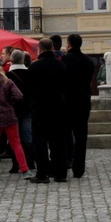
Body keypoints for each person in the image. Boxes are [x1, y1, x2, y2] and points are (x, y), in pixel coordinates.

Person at [0, 63, 34, 181]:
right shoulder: (8, 82)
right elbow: (19, 96)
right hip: (9, 115)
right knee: (16, 143)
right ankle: (24, 169)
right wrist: (11, 102)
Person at [28, 38, 68, 183]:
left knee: (40, 142)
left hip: (40, 108)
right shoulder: (61, 66)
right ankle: (60, 173)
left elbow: (29, 89)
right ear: (52, 48)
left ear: (40, 49)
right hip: (57, 107)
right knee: (58, 141)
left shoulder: (34, 67)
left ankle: (42, 173)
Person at [63, 33, 95, 178]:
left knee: (64, 135)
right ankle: (79, 168)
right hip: (83, 101)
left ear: (69, 44)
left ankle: (64, 164)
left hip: (67, 102)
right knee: (81, 137)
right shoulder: (88, 61)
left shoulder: (64, 60)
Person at [7, 49, 35, 172]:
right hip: (28, 108)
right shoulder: (30, 73)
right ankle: (29, 161)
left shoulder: (8, 76)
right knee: (28, 136)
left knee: (14, 138)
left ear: (11, 60)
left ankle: (16, 164)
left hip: (13, 109)